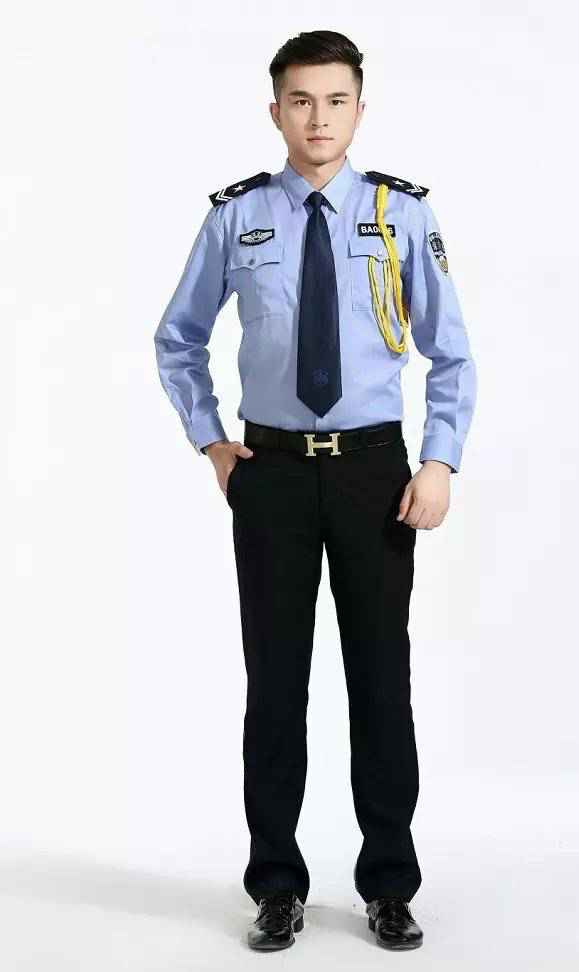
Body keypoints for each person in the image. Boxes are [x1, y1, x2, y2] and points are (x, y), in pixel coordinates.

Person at [153, 29, 477, 952]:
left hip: (376, 472)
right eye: (301, 100)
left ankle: (389, 885)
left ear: (360, 110)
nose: (319, 118)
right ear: (276, 111)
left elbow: (451, 352)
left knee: (381, 682)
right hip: (273, 475)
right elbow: (177, 338)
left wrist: (439, 461)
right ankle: (276, 885)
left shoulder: (400, 215)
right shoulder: (237, 218)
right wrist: (212, 441)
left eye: (336, 101)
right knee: (275, 685)